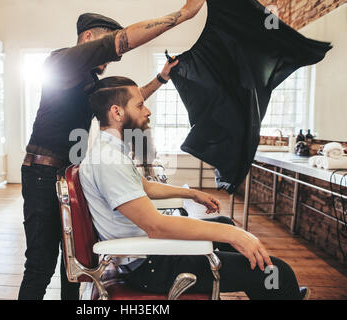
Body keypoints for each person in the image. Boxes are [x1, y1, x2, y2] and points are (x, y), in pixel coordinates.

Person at [19, 0, 209, 300]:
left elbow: (122, 104)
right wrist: (181, 16)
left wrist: (161, 78)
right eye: (106, 48)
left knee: (76, 262)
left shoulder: (88, 80)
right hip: (43, 173)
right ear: (90, 38)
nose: (109, 60)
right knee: (40, 264)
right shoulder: (62, 62)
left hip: (66, 173)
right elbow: (120, 43)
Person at [79, 76, 310, 300]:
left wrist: (191, 194)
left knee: (224, 224)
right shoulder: (108, 160)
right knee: (277, 271)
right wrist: (237, 234)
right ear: (117, 112)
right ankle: (269, 285)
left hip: (148, 256)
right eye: (140, 105)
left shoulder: (110, 152)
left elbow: (144, 187)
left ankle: (265, 288)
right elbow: (156, 226)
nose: (147, 111)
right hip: (151, 268)